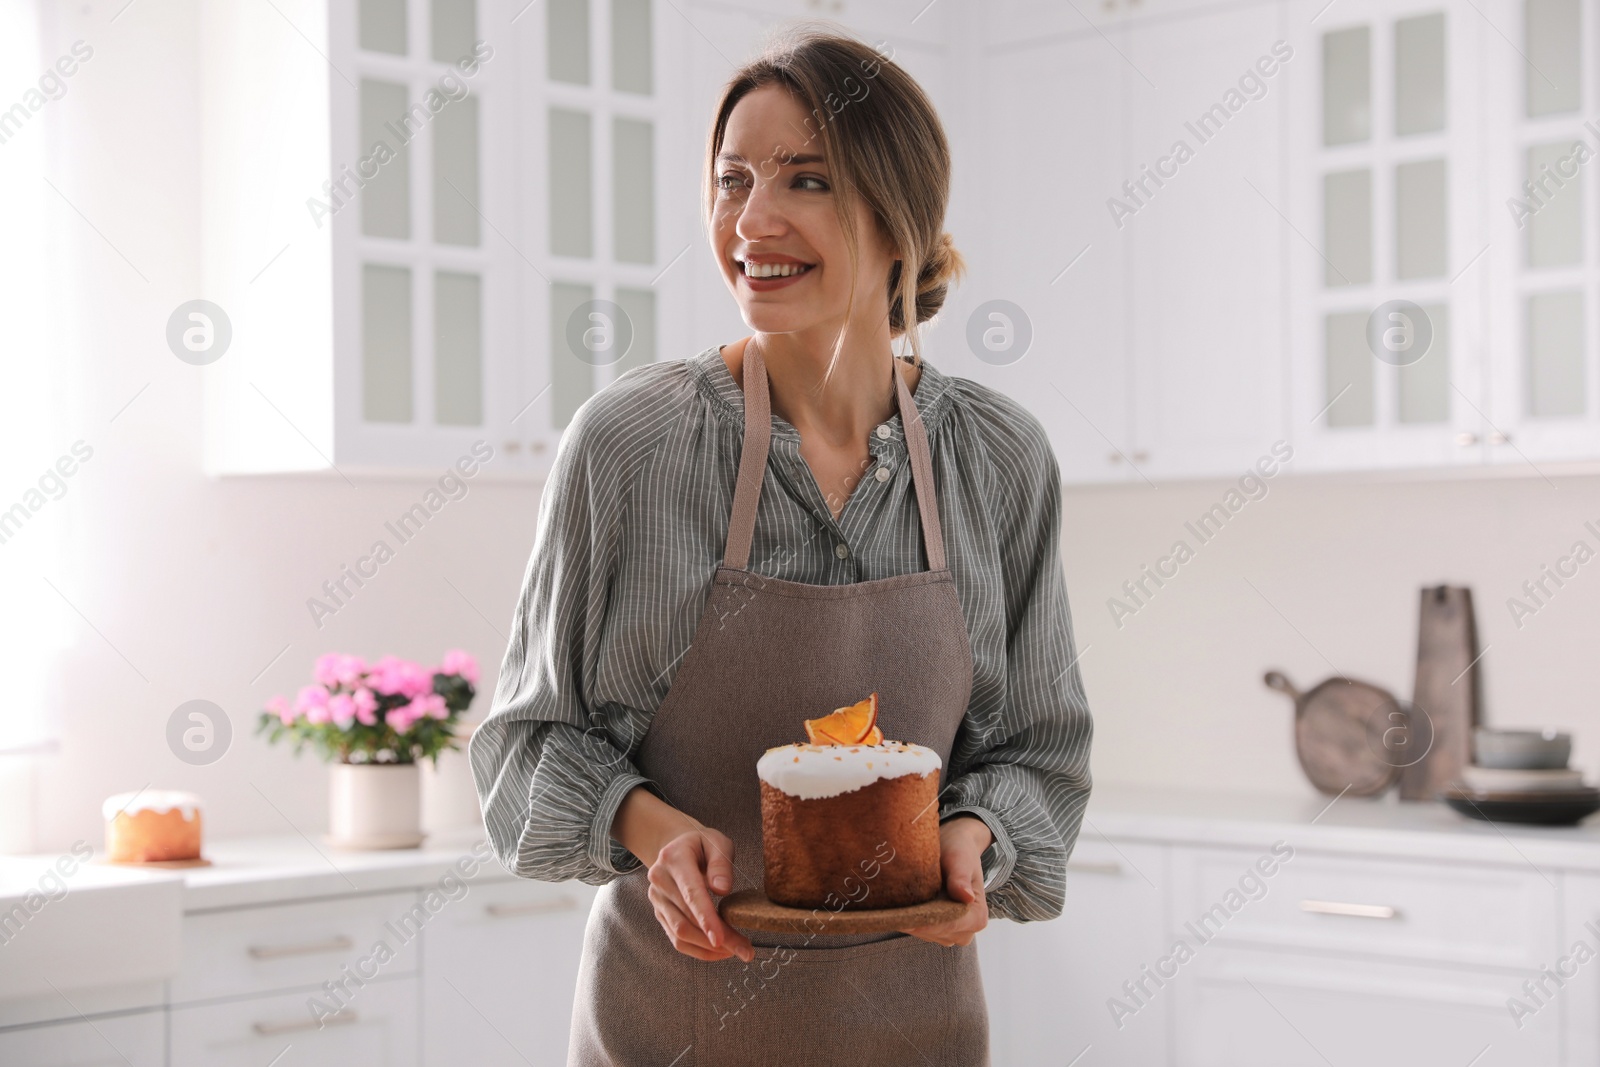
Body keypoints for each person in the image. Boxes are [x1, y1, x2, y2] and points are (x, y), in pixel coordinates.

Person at [470, 25, 1093, 1066]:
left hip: (918, 1030)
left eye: (805, 179)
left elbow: (1037, 748)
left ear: (901, 215)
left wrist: (972, 836)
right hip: (667, 1028)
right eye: (731, 179)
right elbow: (527, 748)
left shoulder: (998, 458)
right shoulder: (633, 445)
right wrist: (649, 828)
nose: (750, 220)